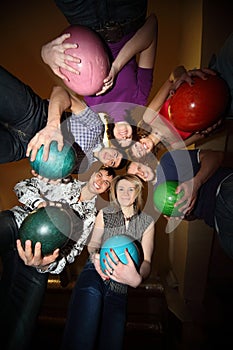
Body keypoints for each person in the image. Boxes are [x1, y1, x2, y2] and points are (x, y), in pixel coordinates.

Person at [0, 165, 115, 350]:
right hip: (16, 224)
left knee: (21, 329)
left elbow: (70, 255)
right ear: (93, 172)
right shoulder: (64, 180)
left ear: (107, 189)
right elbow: (21, 186)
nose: (100, 181)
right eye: (99, 175)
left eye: (106, 182)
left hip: (38, 259)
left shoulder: (92, 218)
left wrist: (45, 264)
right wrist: (40, 204)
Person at [61, 174, 155, 350]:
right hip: (95, 272)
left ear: (138, 192)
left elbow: (147, 262)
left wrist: (137, 279)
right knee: (82, 327)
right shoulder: (105, 213)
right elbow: (93, 244)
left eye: (130, 189)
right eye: (121, 188)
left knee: (112, 339)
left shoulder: (147, 222)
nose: (125, 193)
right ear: (115, 192)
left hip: (120, 286)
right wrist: (95, 257)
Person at [41, 10, 158, 148]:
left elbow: (61, 88)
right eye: (130, 140)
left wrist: (44, 54)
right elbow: (152, 26)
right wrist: (116, 67)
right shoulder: (140, 100)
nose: (125, 137)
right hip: (126, 15)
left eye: (121, 143)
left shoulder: (93, 113)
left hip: (84, 17)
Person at [0, 65, 127, 170]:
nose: (111, 158)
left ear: (106, 165)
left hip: (23, 148)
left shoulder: (83, 168)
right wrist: (52, 126)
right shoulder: (96, 128)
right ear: (113, 147)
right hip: (33, 115)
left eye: (112, 163)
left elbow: (53, 167)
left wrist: (44, 171)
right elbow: (60, 91)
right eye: (115, 154)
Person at [127, 66, 224, 161]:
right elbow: (204, 133)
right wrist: (210, 128)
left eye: (136, 146)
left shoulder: (149, 116)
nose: (140, 149)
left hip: (209, 80)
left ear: (136, 139)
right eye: (140, 154)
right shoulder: (176, 145)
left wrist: (182, 76)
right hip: (222, 106)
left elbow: (173, 75)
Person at [153, 148, 233, 259]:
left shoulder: (168, 161)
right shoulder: (159, 202)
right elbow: (193, 216)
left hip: (223, 187)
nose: (140, 173)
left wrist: (195, 183)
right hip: (216, 220)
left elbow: (216, 156)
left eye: (138, 167)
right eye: (137, 178)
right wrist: (184, 214)